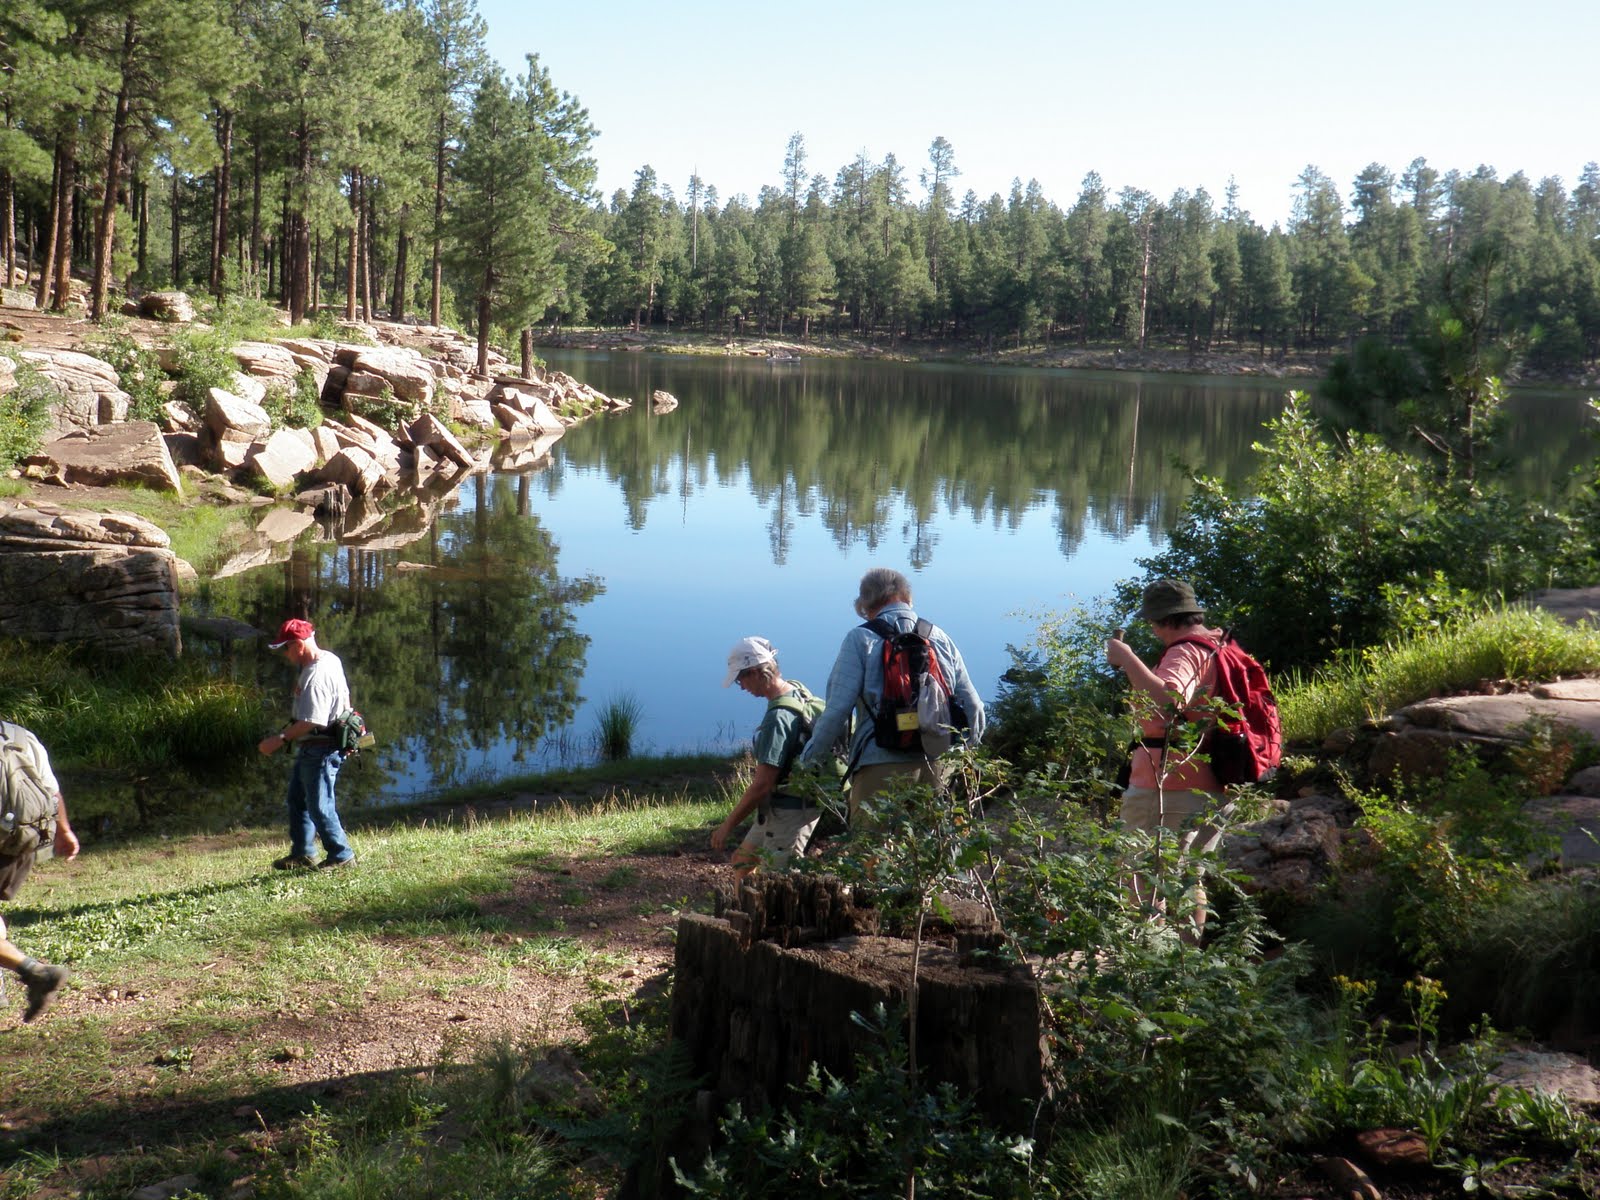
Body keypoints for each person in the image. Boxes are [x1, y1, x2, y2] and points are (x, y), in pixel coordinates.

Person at [799, 567, 986, 824]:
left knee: (870, 857)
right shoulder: (940, 637)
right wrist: (963, 753)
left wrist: (809, 760)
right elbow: (974, 705)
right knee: (930, 852)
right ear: (907, 597)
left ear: (865, 604)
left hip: (879, 764)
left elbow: (837, 711)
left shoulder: (860, 638)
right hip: (937, 763)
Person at [1104, 577, 1234, 936]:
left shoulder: (1185, 651)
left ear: (1164, 620)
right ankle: (1185, 967)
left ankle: (1149, 964)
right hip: (1214, 781)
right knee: (1189, 877)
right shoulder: (1218, 645)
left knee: (1142, 877)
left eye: (1153, 622)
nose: (1153, 629)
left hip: (1170, 787)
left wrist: (1127, 659)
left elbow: (1169, 702)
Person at [711, 637, 825, 876]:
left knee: (775, 881)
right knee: (742, 862)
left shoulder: (779, 718)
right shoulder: (796, 690)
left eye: (740, 679)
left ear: (755, 673)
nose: (741, 686)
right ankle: (742, 910)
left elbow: (762, 785)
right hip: (778, 807)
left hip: (792, 812)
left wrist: (727, 827)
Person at [259, 618, 356, 870]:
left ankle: (341, 854)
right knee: (298, 799)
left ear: (299, 645)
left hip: (322, 748)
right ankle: (303, 853)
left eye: (286, 648)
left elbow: (312, 720)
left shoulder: (316, 676)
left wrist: (278, 740)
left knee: (319, 805)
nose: (285, 654)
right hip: (317, 746)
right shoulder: (329, 658)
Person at [0, 721, 80, 1023]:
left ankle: (36, 972)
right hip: (23, 842)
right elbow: (52, 792)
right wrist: (64, 831)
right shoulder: (19, 735)